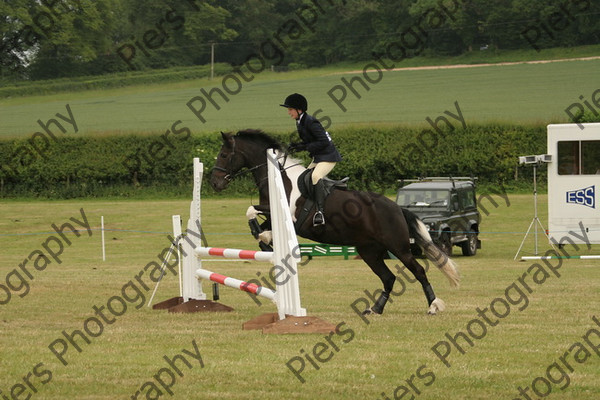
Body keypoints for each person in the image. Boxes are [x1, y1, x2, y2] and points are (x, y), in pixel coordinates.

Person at [280, 93, 342, 226]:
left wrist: (305, 147)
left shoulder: (311, 122)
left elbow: (324, 142)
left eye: (290, 109)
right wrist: (297, 147)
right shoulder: (300, 122)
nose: (288, 112)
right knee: (302, 179)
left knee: (315, 177)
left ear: (299, 109)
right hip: (319, 157)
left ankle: (320, 212)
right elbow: (310, 142)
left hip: (328, 157)